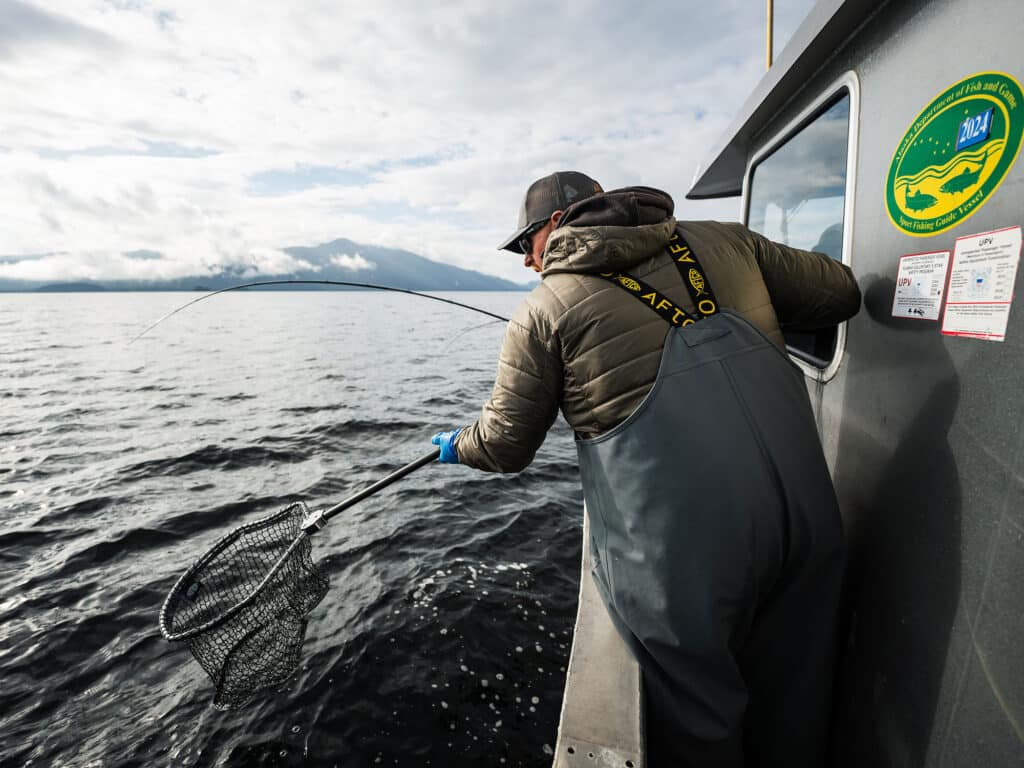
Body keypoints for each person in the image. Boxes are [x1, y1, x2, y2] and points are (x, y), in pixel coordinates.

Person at [431, 171, 861, 766]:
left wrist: (457, 444)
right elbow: (841, 293)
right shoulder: (731, 240)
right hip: (810, 518)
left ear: (555, 225)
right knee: (797, 701)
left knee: (701, 723)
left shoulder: (545, 309)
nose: (529, 263)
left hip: (686, 565)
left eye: (525, 243)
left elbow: (505, 445)